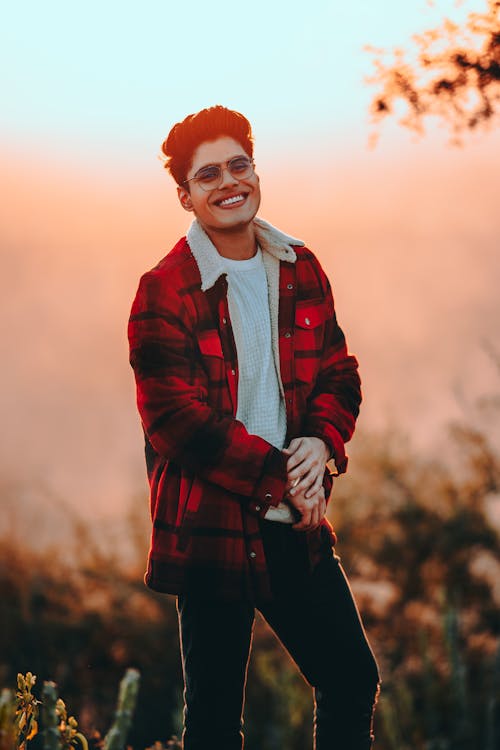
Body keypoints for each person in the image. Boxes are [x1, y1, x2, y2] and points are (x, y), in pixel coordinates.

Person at [128, 105, 380, 750]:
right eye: (207, 174)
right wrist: (283, 479)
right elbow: (174, 422)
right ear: (184, 195)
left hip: (295, 524)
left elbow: (339, 372)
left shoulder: (300, 265)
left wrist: (320, 443)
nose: (227, 183)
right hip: (212, 527)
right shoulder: (164, 288)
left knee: (351, 678)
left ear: (255, 170)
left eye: (238, 165)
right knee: (214, 723)